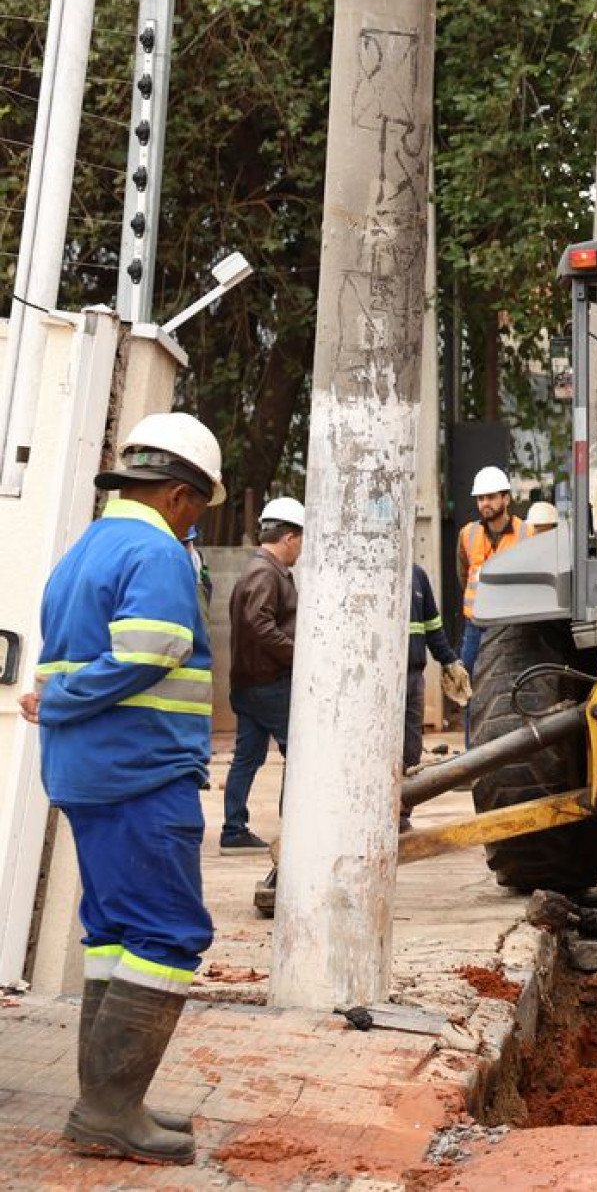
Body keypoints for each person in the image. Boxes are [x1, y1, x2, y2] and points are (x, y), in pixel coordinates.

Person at [21, 412, 224, 1164]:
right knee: (169, 933)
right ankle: (108, 1109)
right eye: (199, 507)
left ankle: (110, 1102)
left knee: (112, 932)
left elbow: (53, 674)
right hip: (141, 771)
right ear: (178, 494)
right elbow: (155, 649)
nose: (197, 520)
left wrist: (61, 704)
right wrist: (70, 702)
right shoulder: (156, 549)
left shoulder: (80, 553)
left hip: (85, 771)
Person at [219, 496, 304, 854]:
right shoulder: (266, 573)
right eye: (301, 541)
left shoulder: (258, 571)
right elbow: (259, 624)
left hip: (250, 684)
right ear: (289, 538)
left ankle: (233, 829)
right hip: (269, 685)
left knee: (248, 757)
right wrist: (298, 654)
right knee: (301, 750)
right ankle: (298, 827)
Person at [404, 564, 471, 830]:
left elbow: (433, 626)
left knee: (409, 751)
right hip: (378, 680)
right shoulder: (366, 568)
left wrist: (450, 661)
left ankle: (400, 815)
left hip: (412, 677)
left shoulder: (418, 575)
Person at [456, 465, 527, 676]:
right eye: (480, 498)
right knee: (469, 680)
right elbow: (463, 574)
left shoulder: (527, 533)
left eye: (491, 497)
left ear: (506, 499)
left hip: (511, 624)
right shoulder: (467, 534)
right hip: (475, 624)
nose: (484, 503)